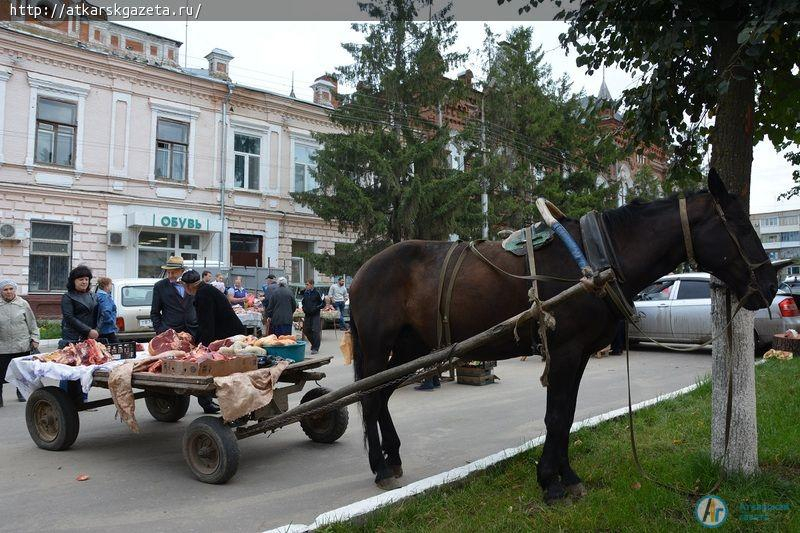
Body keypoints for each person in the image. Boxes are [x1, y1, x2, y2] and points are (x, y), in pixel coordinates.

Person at [150, 257, 217, 414]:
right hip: (171, 336)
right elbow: (154, 313)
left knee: (202, 366)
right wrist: (162, 333)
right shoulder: (160, 286)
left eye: (174, 272)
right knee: (174, 370)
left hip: (194, 331)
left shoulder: (193, 285)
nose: (171, 275)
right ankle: (172, 402)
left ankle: (206, 403)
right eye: (169, 272)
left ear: (182, 271)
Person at [180, 271, 246, 347]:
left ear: (188, 286)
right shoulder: (206, 289)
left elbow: (206, 323)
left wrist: (202, 347)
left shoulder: (203, 294)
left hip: (230, 336)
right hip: (230, 333)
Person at [0, 279, 39, 406]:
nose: (8, 292)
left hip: (21, 345)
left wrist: (35, 338)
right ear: (1, 291)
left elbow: (32, 323)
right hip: (2, 346)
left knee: (20, 372)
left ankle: (21, 392)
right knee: (1, 373)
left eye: (11, 289)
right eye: (5, 289)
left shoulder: (23, 304)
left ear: (15, 290)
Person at [60, 265, 99, 349]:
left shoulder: (93, 295)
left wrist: (97, 330)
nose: (84, 282)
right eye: (81, 279)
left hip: (91, 337)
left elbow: (98, 314)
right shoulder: (68, 296)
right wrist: (88, 330)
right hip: (73, 337)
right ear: (73, 281)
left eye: (86, 279)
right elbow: (69, 317)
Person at [301, 279, 325, 355]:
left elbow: (323, 303)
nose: (306, 286)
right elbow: (303, 302)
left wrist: (316, 308)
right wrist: (304, 308)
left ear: (312, 285)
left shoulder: (317, 293)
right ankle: (314, 344)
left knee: (315, 330)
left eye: (307, 284)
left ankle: (315, 348)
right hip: (307, 314)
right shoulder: (305, 293)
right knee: (306, 330)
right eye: (306, 284)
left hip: (315, 314)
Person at [95, 277, 118, 345]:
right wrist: (112, 322)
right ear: (106, 286)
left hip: (100, 328)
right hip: (107, 329)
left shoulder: (97, 295)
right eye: (110, 284)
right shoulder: (105, 297)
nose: (111, 286)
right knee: (115, 347)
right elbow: (105, 312)